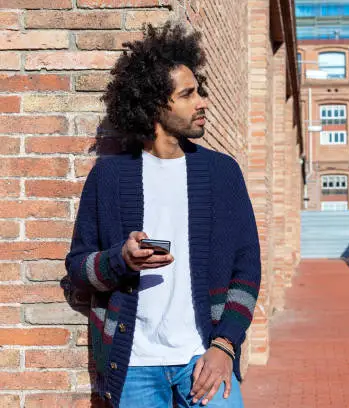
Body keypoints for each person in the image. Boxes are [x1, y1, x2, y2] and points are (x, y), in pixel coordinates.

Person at [65, 21, 261, 408]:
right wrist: (120, 260)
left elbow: (247, 270)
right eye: (188, 94)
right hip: (134, 363)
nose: (202, 102)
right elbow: (77, 266)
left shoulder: (222, 173)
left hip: (202, 356)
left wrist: (225, 345)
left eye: (199, 91)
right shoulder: (109, 176)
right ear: (155, 105)